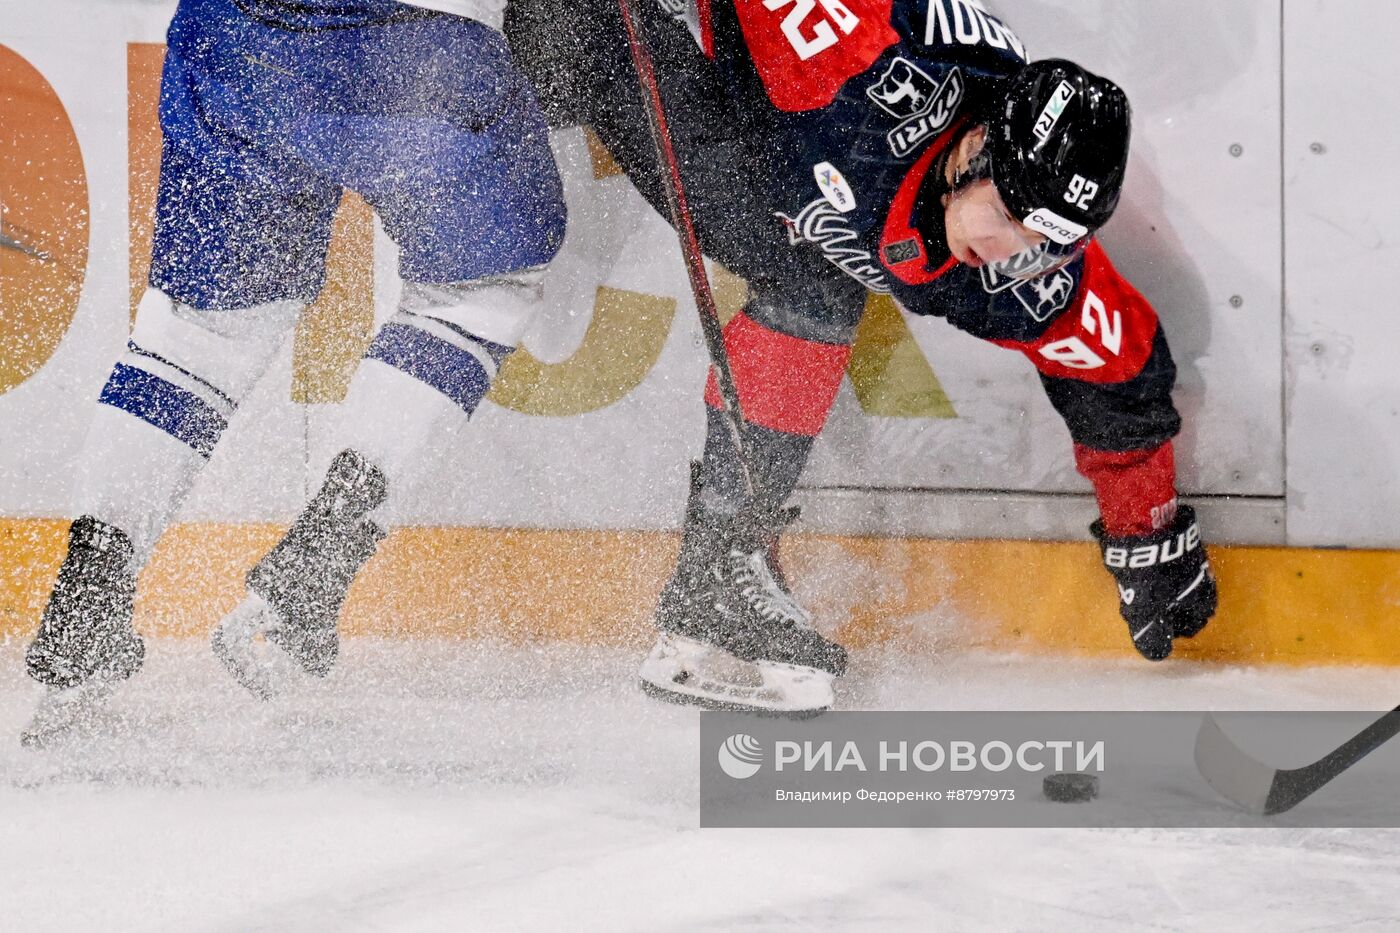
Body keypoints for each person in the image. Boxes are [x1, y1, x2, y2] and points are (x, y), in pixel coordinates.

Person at [504, 0, 1218, 714]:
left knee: (813, 281)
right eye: (1006, 218)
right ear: (972, 150)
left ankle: (719, 572)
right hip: (701, 58)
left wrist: (1146, 530)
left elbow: (1118, 364)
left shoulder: (1015, 266)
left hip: (765, 140)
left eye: (1045, 242)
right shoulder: (849, 56)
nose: (1011, 254)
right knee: (566, 29)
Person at [22, 0, 566, 741]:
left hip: (236, 36)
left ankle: (87, 600)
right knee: (480, 289)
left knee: (203, 330)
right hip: (416, 45)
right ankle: (304, 580)